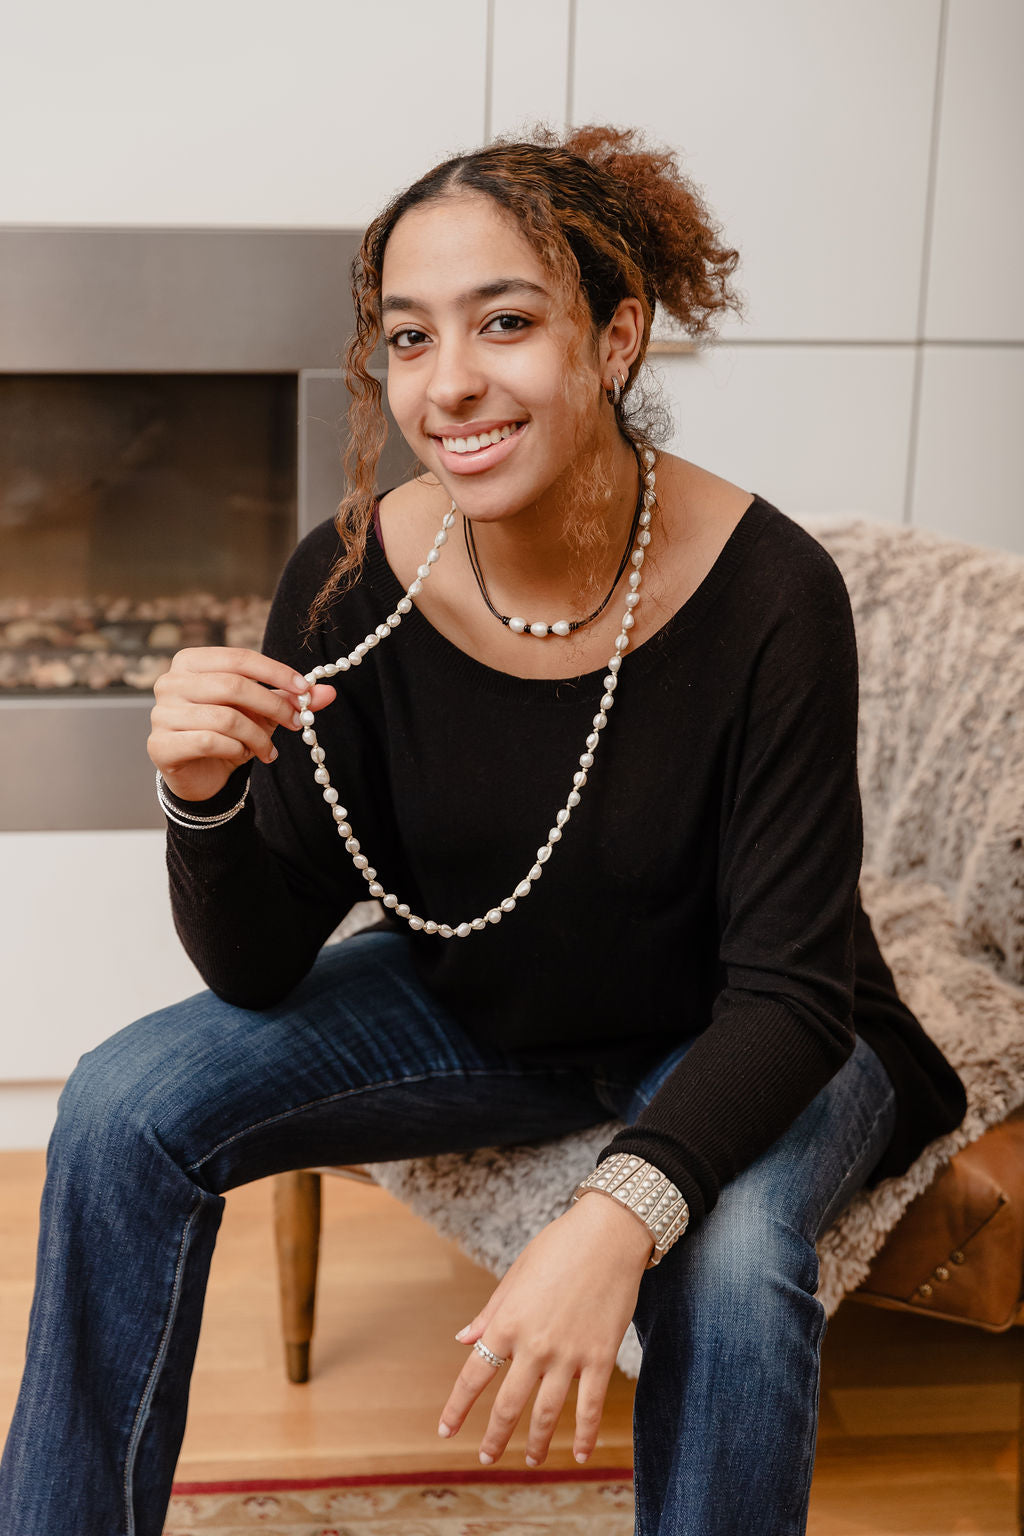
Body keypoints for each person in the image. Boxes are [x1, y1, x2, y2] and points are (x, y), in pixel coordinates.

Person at [0, 124, 967, 1536]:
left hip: (758, 1024)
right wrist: (199, 801)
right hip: (494, 1001)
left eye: (505, 322)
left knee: (731, 1251)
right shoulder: (346, 583)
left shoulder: (773, 595)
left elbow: (788, 992)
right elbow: (262, 963)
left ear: (616, 335)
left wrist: (616, 1211)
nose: (449, 383)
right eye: (407, 337)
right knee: (119, 1105)